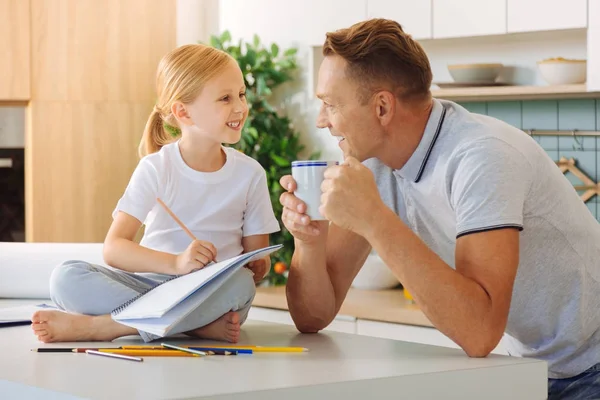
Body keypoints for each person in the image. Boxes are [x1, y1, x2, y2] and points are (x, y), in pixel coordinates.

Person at [279, 18, 600, 399]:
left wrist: (375, 220)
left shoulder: (481, 157)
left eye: (330, 104)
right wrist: (309, 242)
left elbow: (479, 333)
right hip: (532, 367)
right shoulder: (373, 163)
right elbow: (313, 315)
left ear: (382, 106)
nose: (321, 120)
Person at [32, 43, 280, 344]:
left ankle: (107, 326)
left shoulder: (249, 173)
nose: (241, 107)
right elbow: (115, 248)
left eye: (241, 94)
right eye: (225, 98)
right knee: (65, 278)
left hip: (209, 290)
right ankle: (193, 326)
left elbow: (255, 265)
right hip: (151, 284)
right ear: (182, 112)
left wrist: (257, 266)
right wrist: (176, 264)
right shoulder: (155, 168)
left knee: (241, 285)